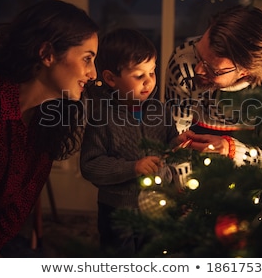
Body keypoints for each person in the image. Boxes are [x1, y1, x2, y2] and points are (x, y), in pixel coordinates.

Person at [0, 0, 99, 257]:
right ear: (47, 54)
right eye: (87, 59)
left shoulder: (52, 114)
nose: (93, 74)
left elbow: (24, 196)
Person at [80, 28, 194, 256]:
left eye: (152, 72)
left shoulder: (160, 112)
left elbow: (167, 150)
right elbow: (90, 165)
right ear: (111, 78)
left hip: (156, 205)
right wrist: (132, 167)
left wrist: (178, 143)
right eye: (138, 75)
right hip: (117, 211)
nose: (149, 81)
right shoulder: (102, 117)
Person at [165, 4, 262, 184]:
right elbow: (176, 141)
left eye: (211, 69)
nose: (197, 69)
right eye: (199, 55)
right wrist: (184, 194)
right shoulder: (183, 63)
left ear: (245, 71)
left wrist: (231, 149)